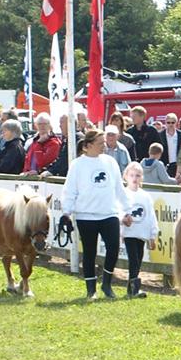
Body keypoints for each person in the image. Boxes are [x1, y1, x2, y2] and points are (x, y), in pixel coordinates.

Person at [61, 128, 134, 300]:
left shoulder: (110, 162)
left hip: (109, 213)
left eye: (104, 143)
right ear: (88, 146)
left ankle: (107, 284)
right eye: (100, 143)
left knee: (113, 248)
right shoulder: (77, 164)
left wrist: (127, 210)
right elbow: (70, 190)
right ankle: (91, 289)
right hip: (86, 215)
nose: (104, 146)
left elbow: (119, 188)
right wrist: (66, 212)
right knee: (89, 252)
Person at [120, 161, 160, 298]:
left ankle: (132, 287)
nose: (134, 178)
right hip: (129, 232)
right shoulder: (123, 194)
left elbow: (151, 216)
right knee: (134, 259)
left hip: (141, 233)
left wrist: (153, 235)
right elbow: (117, 210)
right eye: (132, 175)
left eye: (137, 175)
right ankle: (133, 289)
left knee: (139, 259)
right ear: (126, 176)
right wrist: (122, 221)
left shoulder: (145, 196)